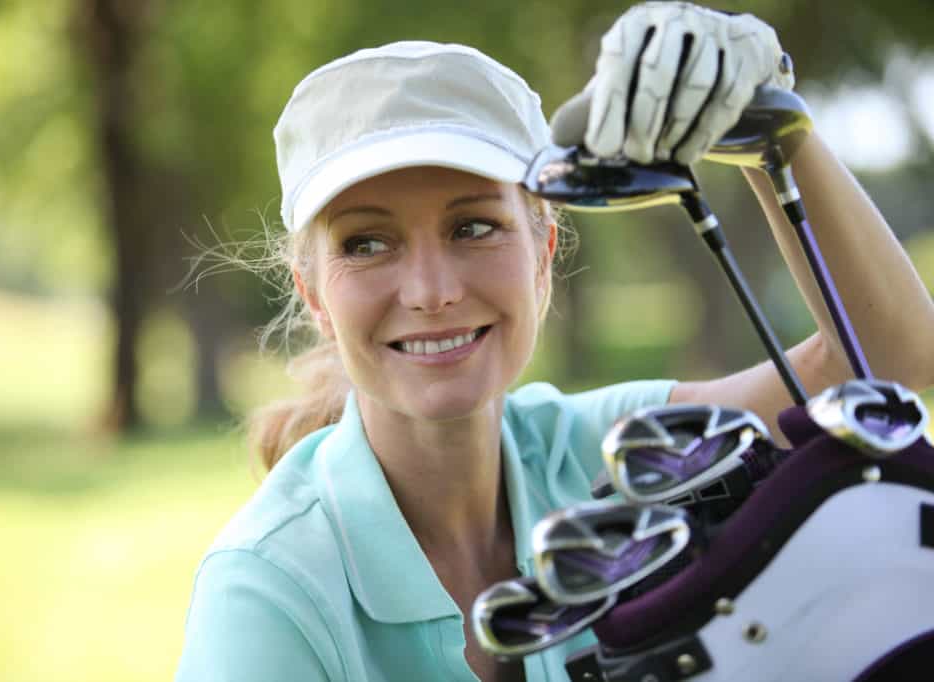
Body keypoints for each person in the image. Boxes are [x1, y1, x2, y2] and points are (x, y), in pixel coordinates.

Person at [175, 3, 934, 681]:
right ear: (313, 293)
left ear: (543, 252)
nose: (430, 290)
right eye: (368, 244)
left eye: (474, 227)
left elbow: (885, 359)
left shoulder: (596, 450)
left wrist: (774, 131)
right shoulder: (266, 592)